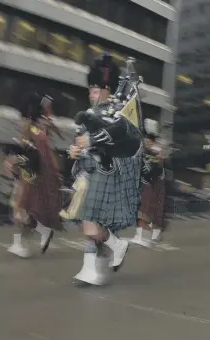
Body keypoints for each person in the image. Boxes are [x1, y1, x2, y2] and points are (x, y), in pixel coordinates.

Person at [68, 54, 143, 286]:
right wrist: (75, 150)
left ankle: (105, 256)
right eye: (90, 89)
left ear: (107, 89)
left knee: (90, 221)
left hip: (107, 171)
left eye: (96, 88)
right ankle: (97, 263)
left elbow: (122, 132)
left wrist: (92, 140)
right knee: (88, 222)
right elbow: (80, 140)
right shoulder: (90, 114)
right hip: (89, 172)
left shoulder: (117, 111)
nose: (91, 93)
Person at [4, 93, 63, 258]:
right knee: (26, 207)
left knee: (20, 208)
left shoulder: (28, 126)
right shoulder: (43, 126)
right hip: (40, 173)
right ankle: (23, 241)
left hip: (27, 172)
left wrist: (11, 161)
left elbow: (21, 148)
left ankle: (33, 235)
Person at [131, 119, 167, 245]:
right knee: (144, 209)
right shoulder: (143, 150)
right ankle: (143, 234)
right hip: (145, 183)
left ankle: (151, 233)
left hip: (155, 183)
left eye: (148, 140)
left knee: (153, 208)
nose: (146, 142)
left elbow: (157, 167)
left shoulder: (158, 149)